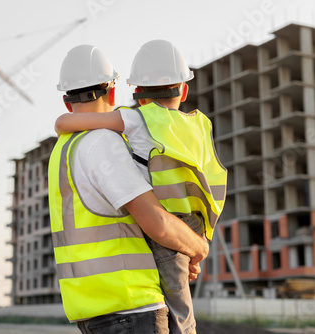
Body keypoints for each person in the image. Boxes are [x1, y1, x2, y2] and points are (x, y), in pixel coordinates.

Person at [55, 40, 228, 334]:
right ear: (184, 90)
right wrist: (197, 246)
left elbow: (158, 224)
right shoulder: (201, 125)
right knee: (183, 309)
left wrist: (64, 121)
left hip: (99, 304)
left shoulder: (69, 149)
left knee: (178, 302)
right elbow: (158, 223)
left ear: (137, 94)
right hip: (189, 231)